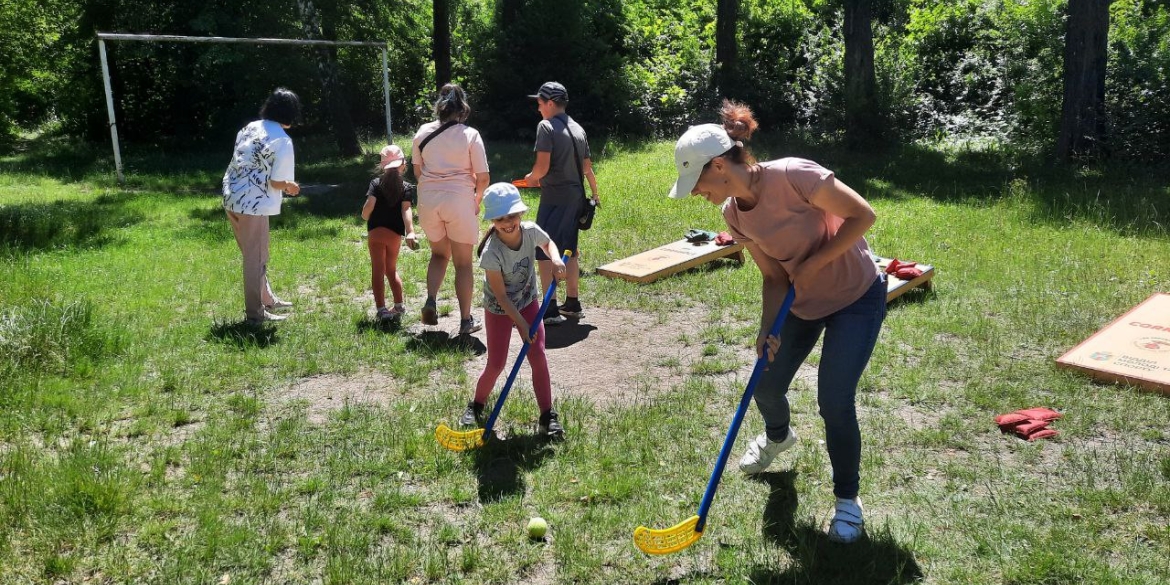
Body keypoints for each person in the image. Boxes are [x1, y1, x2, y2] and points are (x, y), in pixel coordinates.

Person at [668, 100, 887, 544]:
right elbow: (773, 276)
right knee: (766, 384)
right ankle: (778, 438)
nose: (695, 192)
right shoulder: (733, 214)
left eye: (697, 182)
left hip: (855, 296)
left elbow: (863, 215)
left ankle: (848, 500)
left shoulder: (795, 175)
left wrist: (814, 263)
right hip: (802, 305)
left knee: (834, 400)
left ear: (719, 166)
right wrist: (768, 329)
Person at [460, 182, 567, 437]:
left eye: (511, 216)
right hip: (500, 308)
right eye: (499, 219)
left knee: (538, 355)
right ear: (492, 221)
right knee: (496, 364)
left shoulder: (530, 231)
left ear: (520, 213)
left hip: (528, 301)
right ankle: (476, 406)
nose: (507, 223)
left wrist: (554, 260)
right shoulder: (492, 252)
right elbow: (500, 295)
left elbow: (548, 243)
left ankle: (547, 416)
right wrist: (520, 323)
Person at [412, 83, 490, 335]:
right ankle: (466, 320)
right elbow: (483, 177)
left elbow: (417, 171)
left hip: (428, 201)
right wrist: (476, 201)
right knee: (464, 263)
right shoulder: (470, 134)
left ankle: (431, 300)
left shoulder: (422, 132)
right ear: (463, 109)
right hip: (459, 201)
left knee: (438, 254)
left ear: (439, 107)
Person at [222, 88, 302, 325]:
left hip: (232, 198)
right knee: (254, 259)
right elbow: (277, 182)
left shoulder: (249, 127)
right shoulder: (282, 141)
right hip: (254, 205)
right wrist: (291, 186)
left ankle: (267, 299)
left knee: (255, 254)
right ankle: (255, 314)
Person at [523, 82, 599, 325]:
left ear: (551, 104)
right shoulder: (577, 128)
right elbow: (587, 167)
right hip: (576, 196)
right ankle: (573, 303)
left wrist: (531, 178)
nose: (538, 109)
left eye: (540, 104)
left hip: (554, 197)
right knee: (569, 249)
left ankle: (550, 309)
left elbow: (542, 167)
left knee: (545, 250)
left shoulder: (545, 127)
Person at [361, 144, 419, 322]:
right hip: (394, 234)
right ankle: (399, 305)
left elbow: (369, 206)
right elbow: (406, 210)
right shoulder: (406, 187)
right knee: (391, 270)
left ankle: (382, 309)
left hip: (376, 233)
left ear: (382, 165)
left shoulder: (376, 184)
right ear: (403, 164)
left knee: (378, 270)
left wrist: (364, 215)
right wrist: (410, 231)